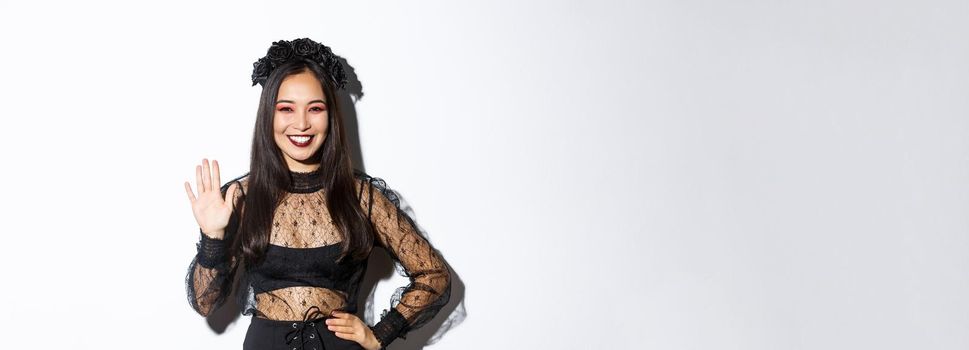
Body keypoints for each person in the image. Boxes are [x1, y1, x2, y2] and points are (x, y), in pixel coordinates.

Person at [183, 38, 452, 350]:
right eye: (286, 109)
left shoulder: (361, 196)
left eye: (315, 109)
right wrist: (213, 239)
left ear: (331, 117)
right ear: (268, 116)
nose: (301, 123)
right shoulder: (241, 197)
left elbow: (433, 274)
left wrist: (380, 333)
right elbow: (205, 303)